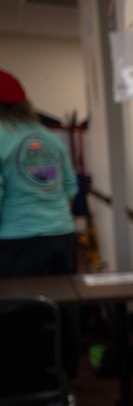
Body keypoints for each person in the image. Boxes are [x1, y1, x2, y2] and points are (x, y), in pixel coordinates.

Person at [0, 69, 78, 277]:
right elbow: (70, 189)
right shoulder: (48, 136)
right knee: (61, 305)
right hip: (62, 234)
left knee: (22, 308)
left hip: (16, 240)